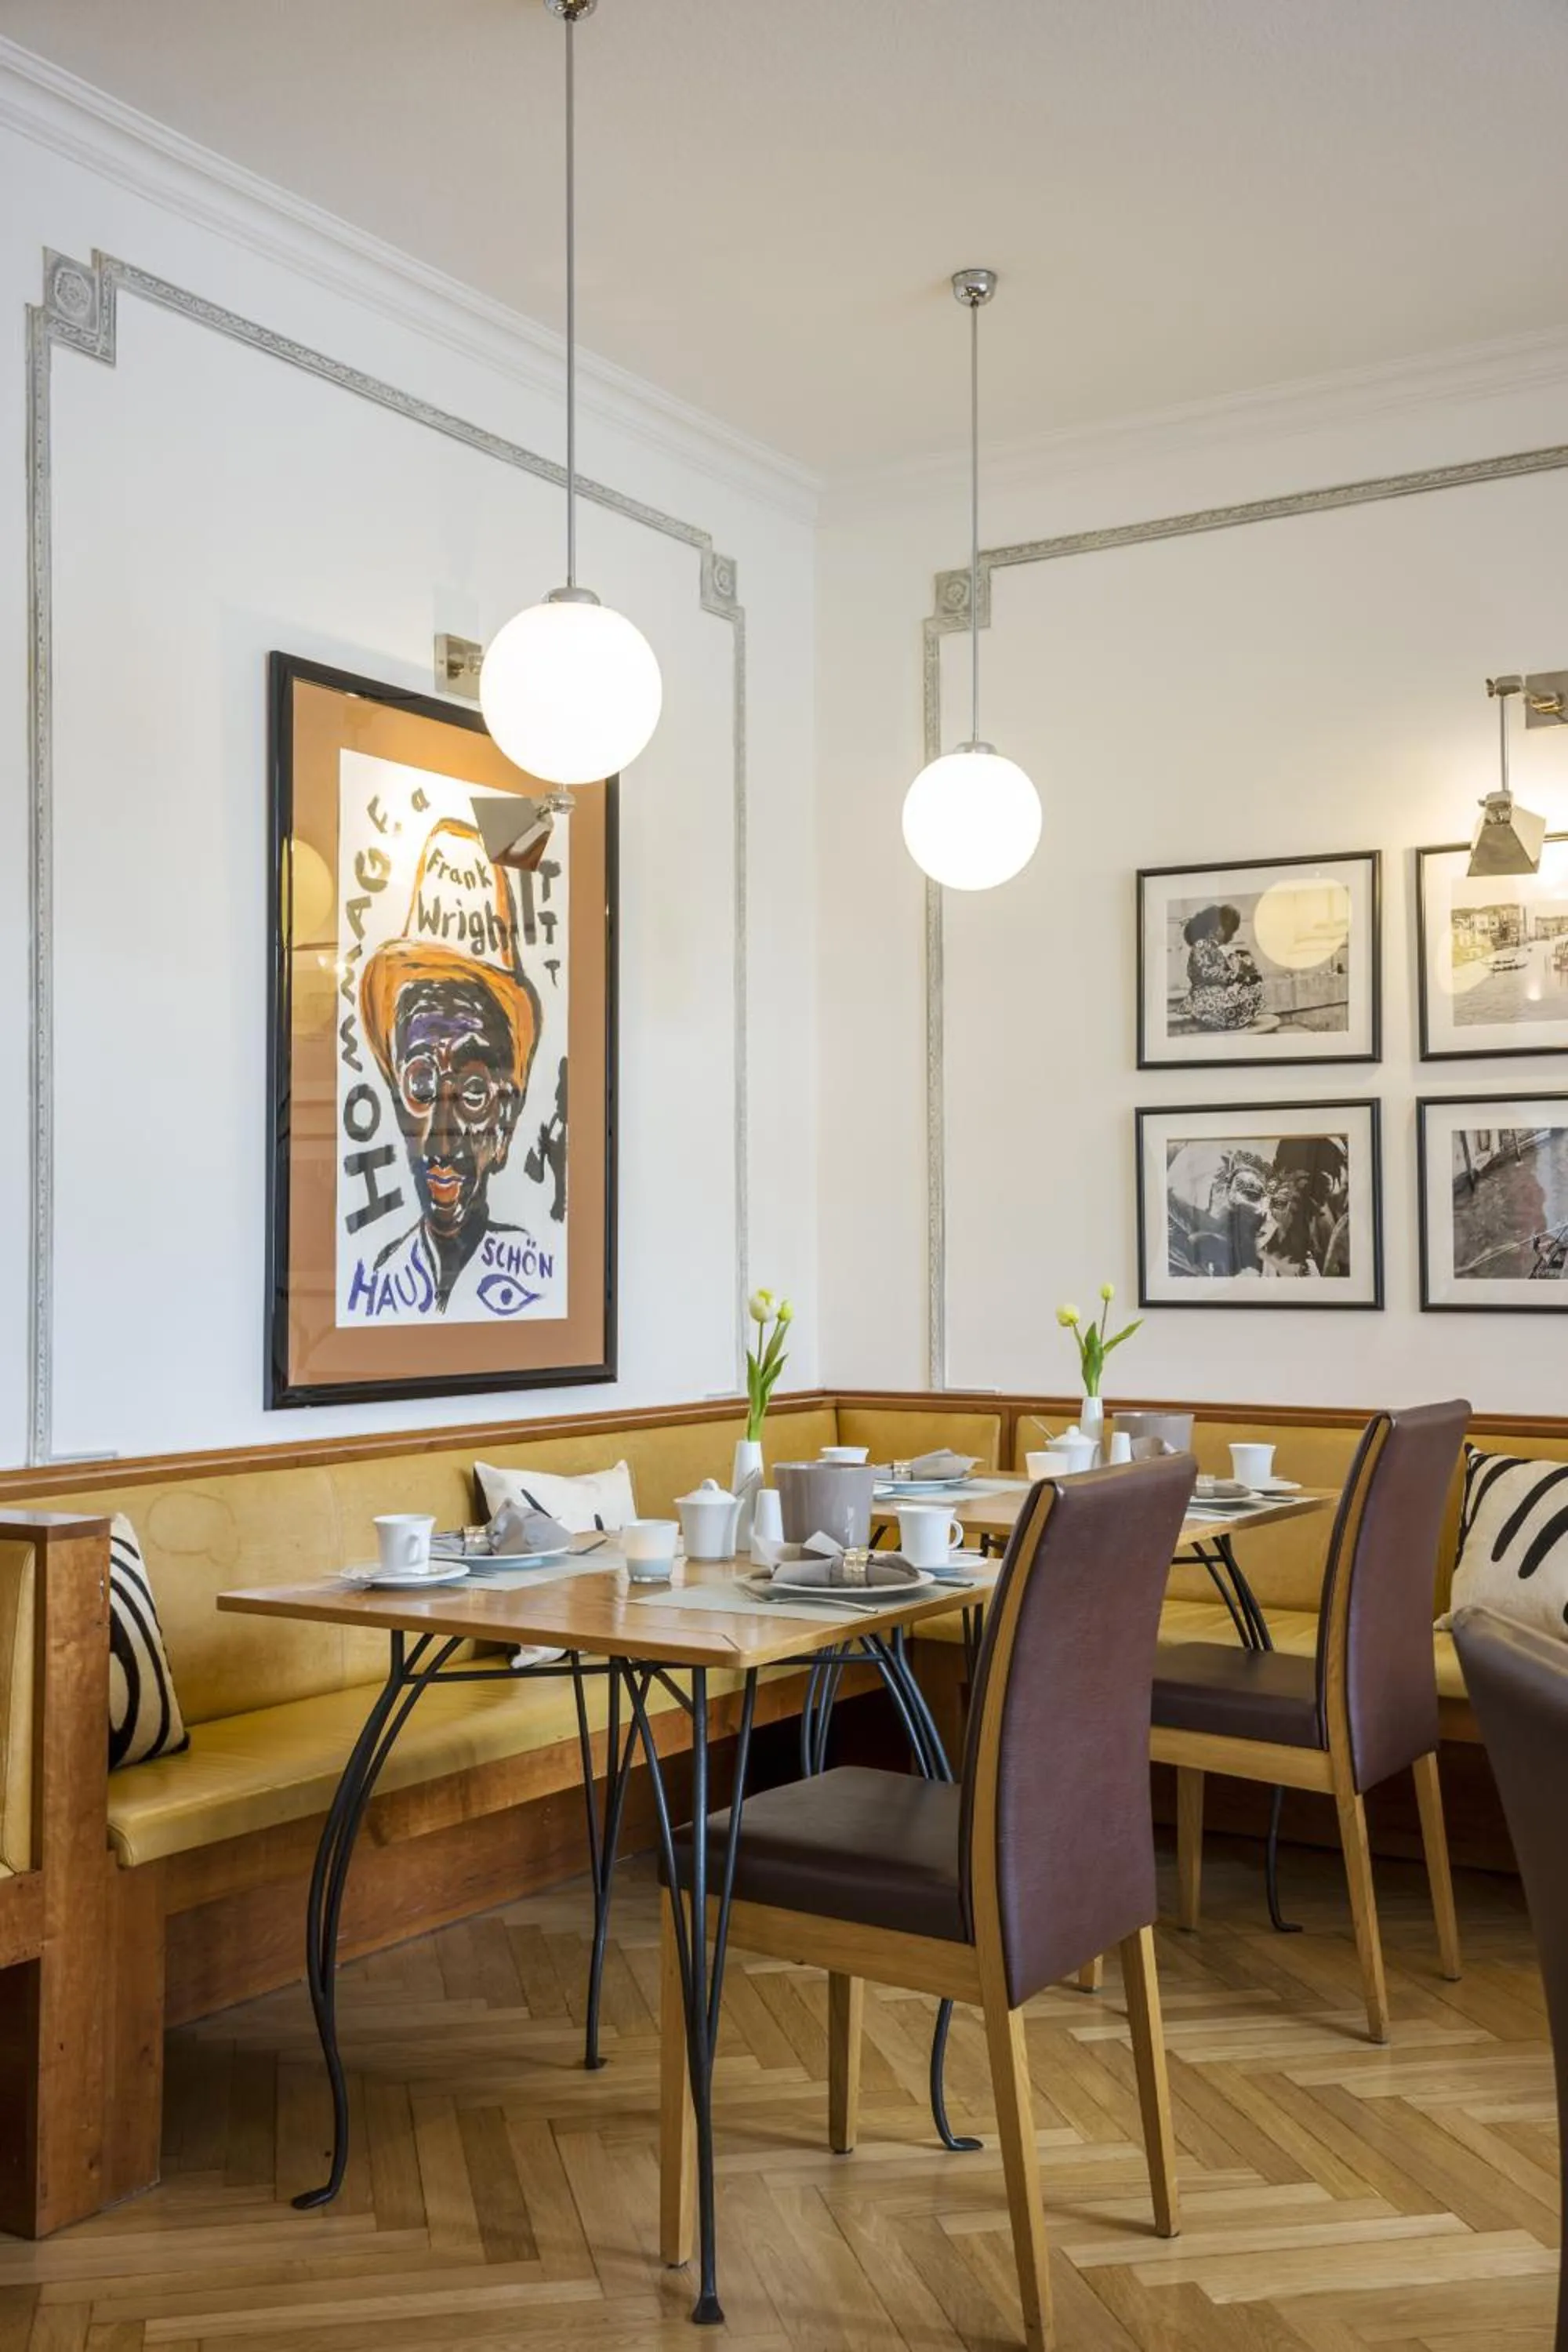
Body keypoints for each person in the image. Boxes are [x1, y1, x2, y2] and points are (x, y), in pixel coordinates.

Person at [353, 818, 545, 1319]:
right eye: (421, 1084)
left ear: (506, 1122)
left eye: (474, 1092)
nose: (442, 1145)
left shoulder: (536, 1275)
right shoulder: (381, 1274)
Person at [1184, 904, 1265, 1031]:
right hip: (1205, 999)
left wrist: (1242, 972)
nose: (1227, 934)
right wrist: (1232, 976)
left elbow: (1222, 972)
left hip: (1215, 994)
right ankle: (1221, 1020)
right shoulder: (1200, 945)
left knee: (1253, 985)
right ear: (1213, 928)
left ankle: (1231, 1019)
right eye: (1224, 928)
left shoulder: (1212, 948)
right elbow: (1205, 973)